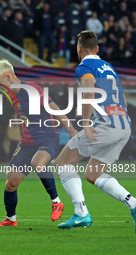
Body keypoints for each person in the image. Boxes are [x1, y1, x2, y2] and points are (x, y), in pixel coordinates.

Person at [55, 30, 136, 231]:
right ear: (97, 48)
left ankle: (81, 213)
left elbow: (88, 89)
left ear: (79, 49)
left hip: (105, 126)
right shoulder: (109, 67)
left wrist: (86, 123)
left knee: (63, 162)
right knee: (92, 173)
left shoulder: (85, 66)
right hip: (123, 125)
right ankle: (133, 204)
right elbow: (122, 98)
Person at [0, 59, 78, 226]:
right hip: (27, 143)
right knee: (11, 183)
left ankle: (56, 202)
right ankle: (10, 219)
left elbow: (54, 108)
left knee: (38, 163)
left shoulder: (32, 90)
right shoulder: (9, 93)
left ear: (8, 76)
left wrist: (71, 130)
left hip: (47, 138)